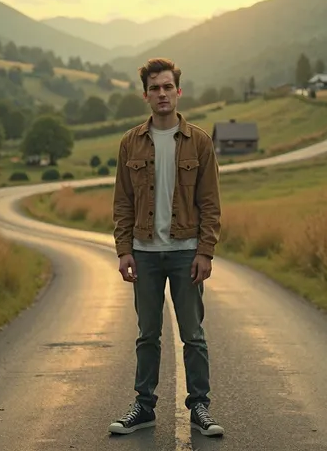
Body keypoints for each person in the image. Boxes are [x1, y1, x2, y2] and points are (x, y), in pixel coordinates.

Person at [108, 58, 224, 438]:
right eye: (154, 88)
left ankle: (200, 407)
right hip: (144, 252)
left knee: (193, 334)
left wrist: (205, 251)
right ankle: (143, 407)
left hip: (185, 251)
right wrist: (123, 249)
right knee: (147, 334)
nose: (162, 93)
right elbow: (122, 201)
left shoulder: (200, 142)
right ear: (145, 95)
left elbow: (211, 203)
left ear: (179, 91)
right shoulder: (130, 142)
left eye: (167, 86)